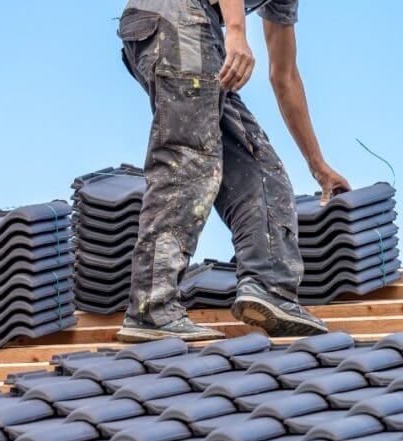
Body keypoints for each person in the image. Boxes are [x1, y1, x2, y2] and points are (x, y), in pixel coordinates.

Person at [113, 0, 351, 343]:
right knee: (189, 160)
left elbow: (284, 76)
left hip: (184, 31)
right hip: (177, 20)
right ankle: (152, 307)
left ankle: (268, 287)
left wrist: (318, 166)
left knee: (259, 168)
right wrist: (237, 32)